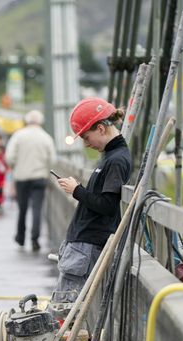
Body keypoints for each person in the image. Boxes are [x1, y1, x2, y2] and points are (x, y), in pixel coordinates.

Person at [54, 97, 131, 298]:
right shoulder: (110, 157)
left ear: (101, 129)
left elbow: (107, 205)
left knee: (65, 307)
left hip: (88, 245)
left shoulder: (116, 160)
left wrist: (77, 190)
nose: (86, 144)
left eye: (86, 137)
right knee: (67, 307)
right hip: (83, 244)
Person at [5, 110, 55, 251]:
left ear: (27, 121)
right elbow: (52, 160)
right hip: (39, 178)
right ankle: (35, 239)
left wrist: (16, 168)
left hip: (21, 178)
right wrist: (45, 171)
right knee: (37, 208)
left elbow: (9, 157)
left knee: (22, 209)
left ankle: (20, 237)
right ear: (40, 121)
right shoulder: (46, 137)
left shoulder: (18, 136)